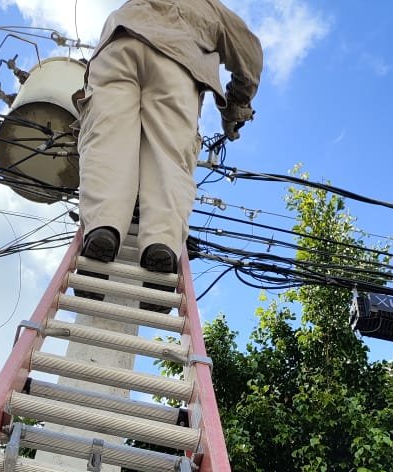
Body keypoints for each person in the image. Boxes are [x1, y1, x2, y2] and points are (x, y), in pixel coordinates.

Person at [75, 0, 263, 308]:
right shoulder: (210, 7)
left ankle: (102, 229)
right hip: (178, 61)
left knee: (107, 141)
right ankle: (160, 244)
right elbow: (250, 54)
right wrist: (234, 110)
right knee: (170, 156)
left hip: (119, 46)